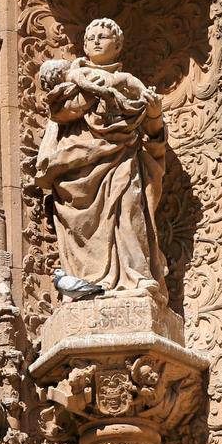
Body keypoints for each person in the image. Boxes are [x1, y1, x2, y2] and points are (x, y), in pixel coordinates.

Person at [35, 18, 167, 296]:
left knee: (128, 210)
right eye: (90, 37)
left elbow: (154, 140)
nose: (96, 41)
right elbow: (60, 113)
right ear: (83, 46)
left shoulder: (129, 85)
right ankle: (89, 280)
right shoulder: (72, 79)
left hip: (122, 159)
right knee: (84, 225)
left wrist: (154, 114)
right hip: (78, 167)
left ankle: (135, 276)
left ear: (118, 46)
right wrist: (93, 92)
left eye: (103, 37)